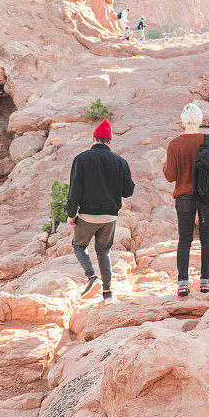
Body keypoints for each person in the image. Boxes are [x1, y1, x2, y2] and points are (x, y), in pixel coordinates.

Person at [68, 118, 135, 304]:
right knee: (103, 251)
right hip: (109, 216)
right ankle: (108, 294)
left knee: (79, 245)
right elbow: (128, 192)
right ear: (110, 141)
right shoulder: (121, 162)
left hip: (87, 215)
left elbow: (75, 190)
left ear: (94, 138)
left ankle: (92, 277)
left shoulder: (81, 159)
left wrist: (71, 213)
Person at [162, 103, 209, 297]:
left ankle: (183, 284)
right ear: (200, 119)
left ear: (183, 120)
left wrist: (164, 166)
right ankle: (205, 282)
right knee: (207, 238)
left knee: (185, 239)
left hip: (184, 196)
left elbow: (170, 176)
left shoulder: (175, 144)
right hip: (208, 197)